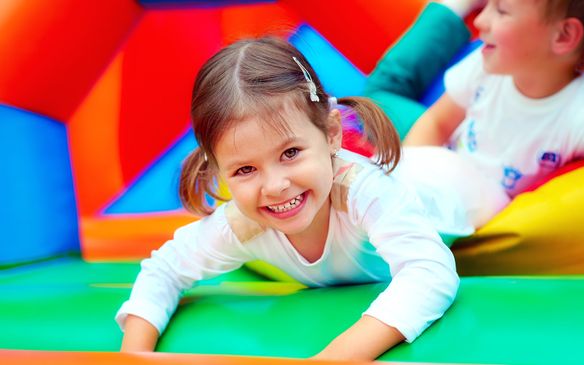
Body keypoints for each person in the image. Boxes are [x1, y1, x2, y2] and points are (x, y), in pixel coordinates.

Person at [116, 37, 463, 360]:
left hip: (450, 179)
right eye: (245, 170)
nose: (275, 186)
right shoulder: (243, 222)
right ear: (219, 171)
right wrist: (135, 358)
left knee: (408, 102)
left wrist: (331, 359)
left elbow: (429, 272)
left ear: (331, 134)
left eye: (291, 152)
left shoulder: (363, 192)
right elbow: (164, 271)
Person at [365, 0, 584, 274]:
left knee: (377, 94)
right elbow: (437, 122)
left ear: (564, 36)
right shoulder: (488, 62)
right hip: (448, 159)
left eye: (501, 9)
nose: (480, 22)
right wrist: (401, 177)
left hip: (473, 199)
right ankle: (452, 8)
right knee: (376, 97)